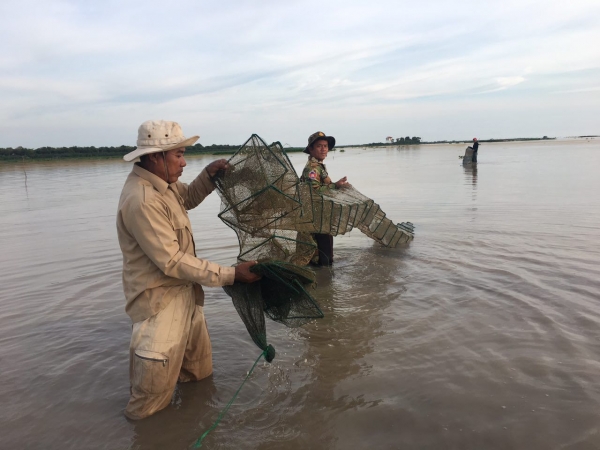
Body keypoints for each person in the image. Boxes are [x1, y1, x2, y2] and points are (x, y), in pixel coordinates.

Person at [116, 120, 260, 420]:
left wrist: (208, 175)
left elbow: (188, 197)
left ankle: (189, 427)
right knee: (148, 407)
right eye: (179, 155)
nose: (184, 162)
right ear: (155, 157)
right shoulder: (142, 199)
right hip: (159, 308)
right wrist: (232, 275)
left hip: (187, 296)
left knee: (199, 380)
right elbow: (172, 261)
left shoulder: (166, 186)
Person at [300, 131, 349, 266]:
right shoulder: (312, 169)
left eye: (325, 146)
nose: (323, 149)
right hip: (316, 218)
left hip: (321, 216)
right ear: (311, 149)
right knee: (324, 258)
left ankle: (324, 276)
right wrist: (335, 186)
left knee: (323, 254)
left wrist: (336, 185)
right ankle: (324, 276)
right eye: (319, 146)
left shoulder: (318, 166)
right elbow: (313, 191)